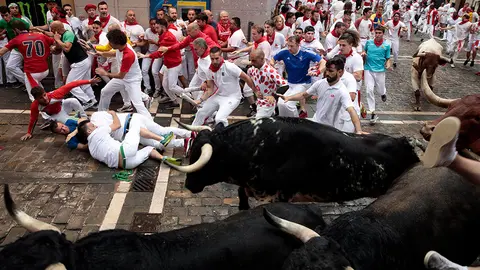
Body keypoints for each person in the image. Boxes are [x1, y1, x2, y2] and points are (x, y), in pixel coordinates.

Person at [278, 56, 365, 134]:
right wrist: (288, 97)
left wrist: (358, 130)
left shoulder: (342, 91)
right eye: (326, 70)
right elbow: (304, 95)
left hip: (329, 129)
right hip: (316, 123)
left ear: (340, 72)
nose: (327, 73)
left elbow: (351, 110)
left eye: (331, 71)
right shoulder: (320, 83)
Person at [77, 111, 181, 170]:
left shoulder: (91, 150)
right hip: (125, 151)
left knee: (149, 149)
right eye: (92, 125)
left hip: (126, 165)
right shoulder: (98, 131)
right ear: (89, 131)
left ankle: (164, 158)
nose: (95, 125)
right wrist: (113, 113)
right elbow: (117, 125)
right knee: (134, 125)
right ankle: (162, 139)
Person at [50, 111, 191, 151]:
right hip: (130, 129)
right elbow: (85, 147)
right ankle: (186, 142)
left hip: (132, 123)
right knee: (158, 145)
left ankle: (189, 134)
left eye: (62, 126)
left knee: (162, 132)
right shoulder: (94, 130)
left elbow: (115, 123)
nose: (63, 128)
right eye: (60, 130)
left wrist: (74, 133)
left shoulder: (96, 121)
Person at [20, 76, 101, 141]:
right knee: (71, 122)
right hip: (55, 115)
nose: (45, 99)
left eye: (44, 95)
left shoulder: (56, 94)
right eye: (41, 98)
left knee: (73, 100)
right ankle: (51, 122)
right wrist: (29, 132)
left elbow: (73, 84)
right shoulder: (35, 105)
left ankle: (85, 119)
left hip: (62, 106)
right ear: (36, 99)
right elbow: (33, 119)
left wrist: (90, 81)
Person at [191, 46, 256, 127]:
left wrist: (256, 91)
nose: (214, 61)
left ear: (221, 56)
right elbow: (210, 89)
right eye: (212, 59)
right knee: (200, 113)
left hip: (233, 97)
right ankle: (191, 135)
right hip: (219, 95)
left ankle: (224, 137)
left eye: (217, 58)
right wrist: (200, 100)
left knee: (219, 119)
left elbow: (246, 78)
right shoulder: (209, 70)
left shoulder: (230, 67)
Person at [95, 29, 151, 118]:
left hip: (132, 80)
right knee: (105, 91)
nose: (109, 44)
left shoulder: (128, 55)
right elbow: (114, 54)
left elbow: (121, 75)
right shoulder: (122, 46)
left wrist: (105, 73)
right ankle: (102, 115)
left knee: (137, 104)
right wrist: (101, 53)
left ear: (116, 43)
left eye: (110, 42)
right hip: (123, 78)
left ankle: (151, 125)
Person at [0, 20, 54, 101]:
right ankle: (52, 106)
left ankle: (47, 111)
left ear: (17, 30)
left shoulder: (17, 39)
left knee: (34, 98)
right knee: (40, 91)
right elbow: (54, 42)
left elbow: (1, 52)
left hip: (31, 71)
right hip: (45, 69)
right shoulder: (40, 36)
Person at [51, 21, 97, 109]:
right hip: (83, 61)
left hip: (80, 62)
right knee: (85, 83)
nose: (51, 31)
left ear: (56, 29)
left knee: (70, 85)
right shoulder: (62, 36)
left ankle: (87, 101)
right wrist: (56, 44)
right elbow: (58, 48)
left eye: (52, 29)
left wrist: (57, 40)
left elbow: (67, 48)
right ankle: (93, 101)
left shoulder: (68, 34)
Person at [272, 35, 322, 118]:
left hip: (304, 84)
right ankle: (284, 122)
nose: (289, 48)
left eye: (292, 46)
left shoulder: (306, 52)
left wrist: (318, 71)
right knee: (281, 103)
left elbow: (322, 61)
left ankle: (297, 124)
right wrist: (272, 64)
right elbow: (273, 60)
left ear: (298, 44)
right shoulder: (285, 52)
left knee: (289, 104)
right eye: (288, 45)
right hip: (291, 84)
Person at [247, 49, 288, 118]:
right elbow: (248, 79)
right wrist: (255, 91)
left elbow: (285, 85)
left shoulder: (270, 71)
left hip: (268, 103)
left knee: (259, 123)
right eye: (250, 60)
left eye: (254, 60)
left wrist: (274, 96)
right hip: (260, 102)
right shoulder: (252, 69)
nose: (252, 63)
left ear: (262, 58)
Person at [363, 26, 391, 125]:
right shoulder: (369, 43)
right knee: (369, 90)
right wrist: (363, 54)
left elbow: (388, 59)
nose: (378, 34)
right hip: (368, 69)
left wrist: (388, 65)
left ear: (383, 34)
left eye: (380, 33)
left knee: (380, 89)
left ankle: (383, 93)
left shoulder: (386, 45)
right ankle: (372, 112)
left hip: (380, 71)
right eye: (376, 32)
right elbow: (364, 51)